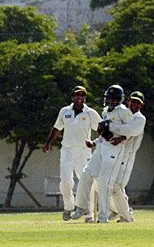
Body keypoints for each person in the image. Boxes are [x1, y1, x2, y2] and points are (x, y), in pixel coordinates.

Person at [70, 84, 132, 223]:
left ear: (120, 99)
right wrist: (94, 143)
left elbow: (131, 130)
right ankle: (82, 207)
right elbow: (104, 134)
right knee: (86, 174)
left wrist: (121, 138)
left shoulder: (124, 111)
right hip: (102, 147)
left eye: (114, 99)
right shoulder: (105, 111)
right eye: (110, 98)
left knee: (104, 183)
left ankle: (103, 217)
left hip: (115, 149)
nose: (111, 101)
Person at [42, 85, 102, 222]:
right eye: (77, 95)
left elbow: (102, 129)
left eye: (82, 95)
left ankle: (89, 213)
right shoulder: (65, 111)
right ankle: (68, 206)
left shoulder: (90, 113)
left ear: (85, 98)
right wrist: (48, 143)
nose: (79, 98)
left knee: (86, 182)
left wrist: (97, 143)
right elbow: (57, 128)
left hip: (83, 151)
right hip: (67, 151)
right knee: (65, 182)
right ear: (72, 97)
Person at [108, 90, 147, 222]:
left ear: (141, 105)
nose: (134, 105)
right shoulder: (123, 114)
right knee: (106, 183)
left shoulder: (140, 119)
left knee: (117, 185)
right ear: (128, 101)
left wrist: (111, 127)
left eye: (138, 103)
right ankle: (118, 210)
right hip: (115, 153)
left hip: (128, 155)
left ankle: (126, 216)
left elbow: (130, 131)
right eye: (133, 101)